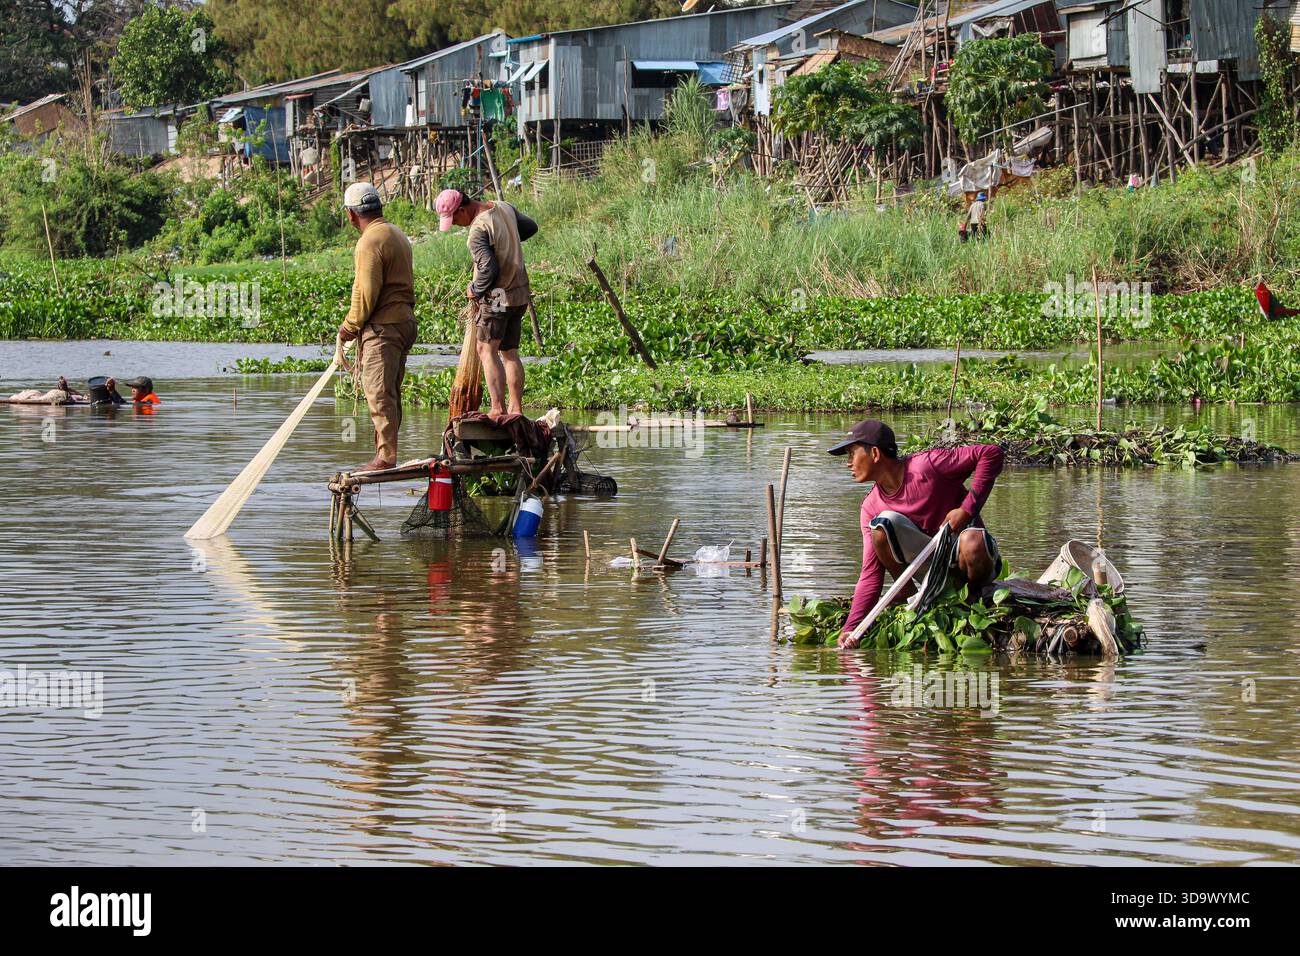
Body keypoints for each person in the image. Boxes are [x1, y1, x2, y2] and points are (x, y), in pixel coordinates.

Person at [830, 419, 1004, 649]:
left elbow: (991, 453)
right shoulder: (870, 506)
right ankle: (907, 592)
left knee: (972, 541)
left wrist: (966, 509)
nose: (848, 463)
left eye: (852, 453)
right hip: (930, 573)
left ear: (874, 453)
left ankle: (975, 598)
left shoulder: (927, 466)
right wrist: (852, 626)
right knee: (882, 525)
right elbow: (871, 572)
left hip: (970, 561)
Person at [336, 182, 418, 472]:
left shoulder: (369, 241)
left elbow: (367, 292)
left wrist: (350, 326)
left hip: (384, 327)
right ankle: (386, 453)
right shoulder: (396, 233)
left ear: (351, 215)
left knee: (378, 391)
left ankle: (385, 457)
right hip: (403, 322)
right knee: (390, 391)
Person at [436, 187, 537, 417]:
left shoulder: (478, 230)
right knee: (510, 351)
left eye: (455, 219)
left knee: (486, 349)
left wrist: (474, 288)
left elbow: (488, 269)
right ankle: (516, 409)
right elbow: (531, 227)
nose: (456, 224)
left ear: (463, 210)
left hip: (498, 295)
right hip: (519, 292)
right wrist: (506, 238)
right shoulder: (503, 207)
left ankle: (497, 408)